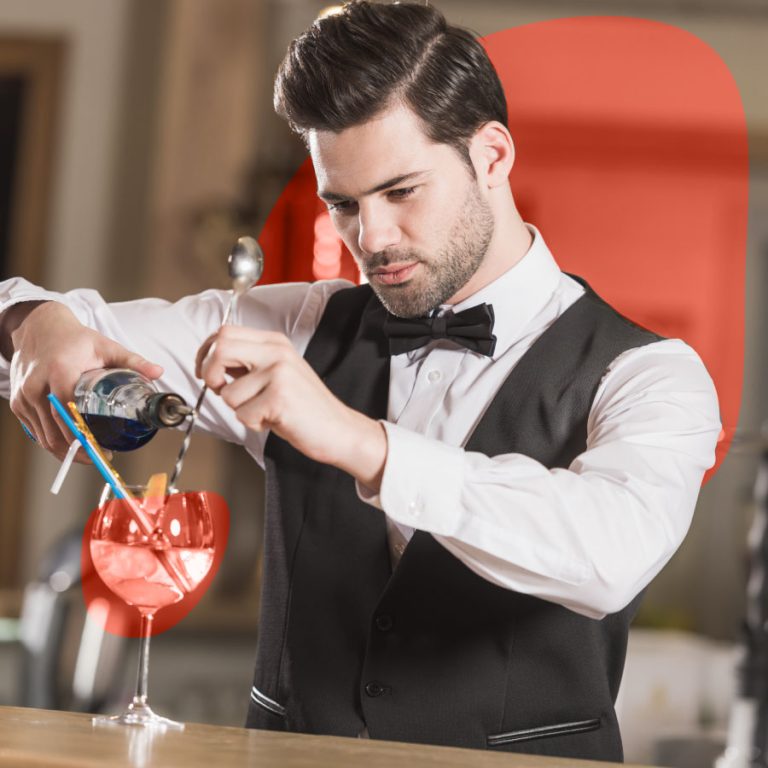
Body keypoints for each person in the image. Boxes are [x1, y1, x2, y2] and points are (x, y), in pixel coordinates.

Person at [0, 1, 719, 761]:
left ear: (494, 156)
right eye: (341, 204)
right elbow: (71, 328)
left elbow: (610, 554)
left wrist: (362, 443)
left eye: (401, 191)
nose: (369, 240)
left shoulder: (648, 374)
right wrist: (33, 319)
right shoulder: (301, 323)